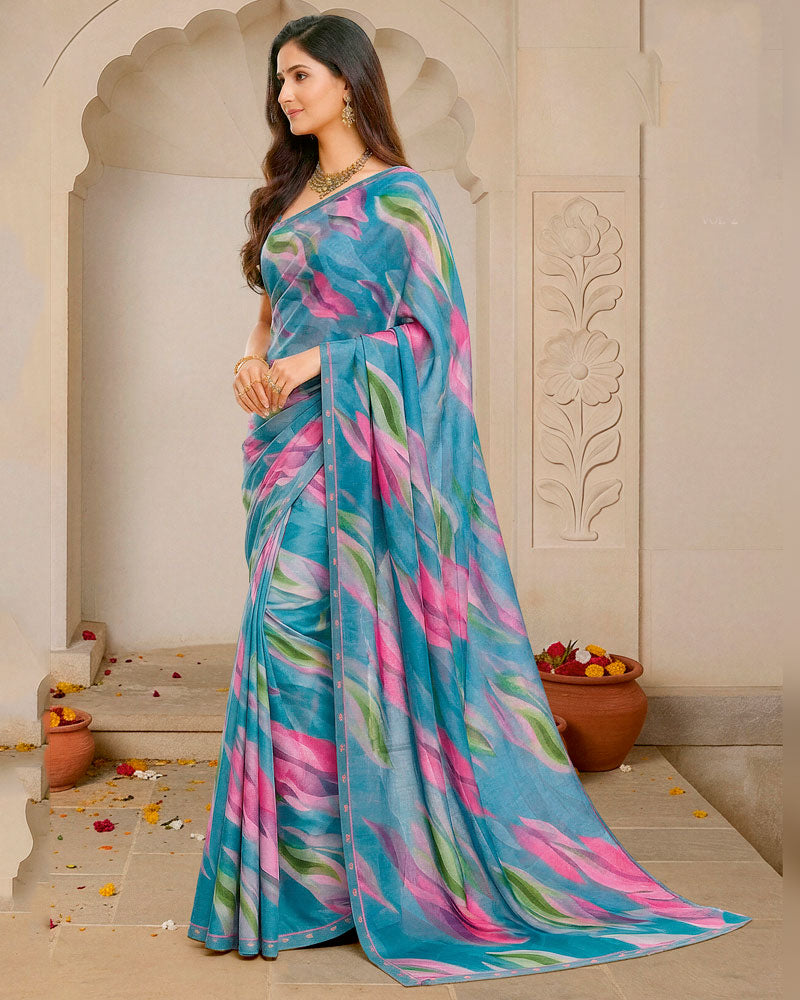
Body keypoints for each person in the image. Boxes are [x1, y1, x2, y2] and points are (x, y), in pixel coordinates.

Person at [186, 13, 751, 987]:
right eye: (279, 80)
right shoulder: (292, 193)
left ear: (350, 82)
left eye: (301, 75)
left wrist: (319, 363)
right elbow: (273, 305)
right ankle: (306, 888)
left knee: (306, 629)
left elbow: (433, 339)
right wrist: (250, 357)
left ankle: (373, 877)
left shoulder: (400, 199)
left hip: (359, 453)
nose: (285, 94)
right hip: (287, 450)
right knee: (289, 648)